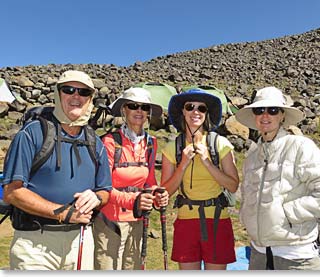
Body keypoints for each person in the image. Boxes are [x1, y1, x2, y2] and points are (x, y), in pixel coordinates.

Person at [2, 70, 112, 270]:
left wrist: (97, 198)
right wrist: (63, 213)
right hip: (35, 244)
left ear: (91, 99)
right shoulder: (32, 133)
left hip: (81, 241)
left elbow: (105, 190)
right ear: (57, 93)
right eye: (68, 90)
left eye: (84, 92)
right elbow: (12, 192)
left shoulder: (95, 142)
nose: (76, 96)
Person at [235, 86, 320, 270]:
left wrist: (288, 213)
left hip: (296, 257)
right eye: (259, 110)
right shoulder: (252, 156)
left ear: (282, 115)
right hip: (258, 255)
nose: (265, 115)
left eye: (272, 110)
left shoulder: (300, 147)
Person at [161, 88, 239, 270]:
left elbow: (233, 185)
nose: (195, 112)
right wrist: (183, 165)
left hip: (217, 221)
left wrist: (207, 162)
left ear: (206, 114)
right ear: (183, 111)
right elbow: (164, 192)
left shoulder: (220, 144)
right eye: (190, 107)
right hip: (185, 222)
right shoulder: (172, 148)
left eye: (201, 108)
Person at [93, 87, 169, 270]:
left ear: (149, 113)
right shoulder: (109, 142)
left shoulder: (151, 144)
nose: (139, 111)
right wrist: (134, 200)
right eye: (133, 106)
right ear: (123, 110)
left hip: (137, 222)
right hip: (110, 222)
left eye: (144, 107)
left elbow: (148, 180)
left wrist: (157, 195)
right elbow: (102, 188)